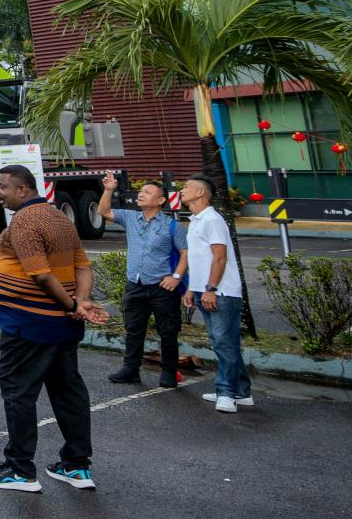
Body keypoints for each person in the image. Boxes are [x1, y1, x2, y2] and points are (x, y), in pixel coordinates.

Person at [0, 164, 107, 492]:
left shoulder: (25, 220)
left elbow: (40, 274)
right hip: (61, 326)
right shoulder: (60, 218)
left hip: (30, 325)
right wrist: (80, 301)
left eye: (3, 186)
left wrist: (72, 305)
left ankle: (19, 469)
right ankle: (76, 466)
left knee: (18, 392)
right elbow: (83, 266)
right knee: (68, 392)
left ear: (23, 190)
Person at [94, 172, 186, 388]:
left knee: (168, 331)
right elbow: (103, 211)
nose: (141, 194)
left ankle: (169, 373)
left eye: (147, 192)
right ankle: (131, 369)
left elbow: (185, 253)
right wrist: (108, 190)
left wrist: (176, 277)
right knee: (134, 329)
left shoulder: (171, 225)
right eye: (141, 191)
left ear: (161, 201)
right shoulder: (130, 217)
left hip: (162, 287)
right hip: (135, 285)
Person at [174, 175, 253, 413]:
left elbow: (220, 257)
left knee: (224, 343)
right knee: (223, 342)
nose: (182, 189)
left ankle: (226, 393)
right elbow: (199, 259)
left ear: (201, 193)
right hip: (204, 290)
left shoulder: (213, 220)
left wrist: (210, 289)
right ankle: (241, 391)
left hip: (221, 292)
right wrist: (191, 289)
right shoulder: (196, 219)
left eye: (187, 187)